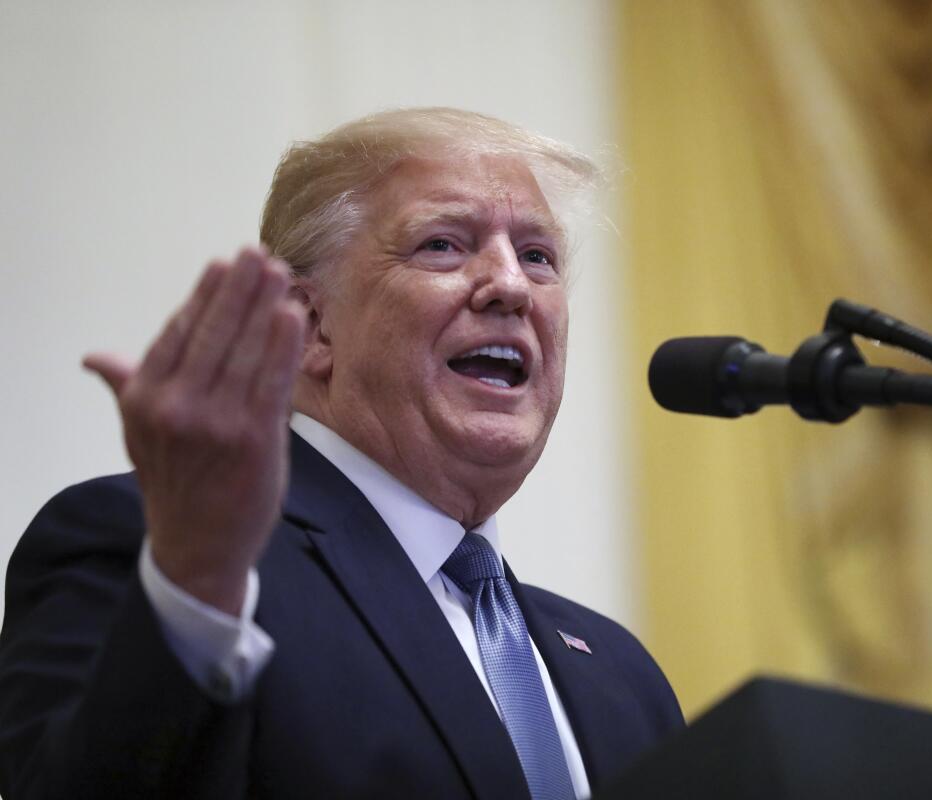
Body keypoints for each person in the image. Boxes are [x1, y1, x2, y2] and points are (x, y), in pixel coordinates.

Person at [0, 108, 684, 799]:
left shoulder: (621, 675)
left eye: (538, 256)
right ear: (312, 327)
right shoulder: (166, 557)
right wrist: (195, 583)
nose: (510, 284)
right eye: (444, 244)